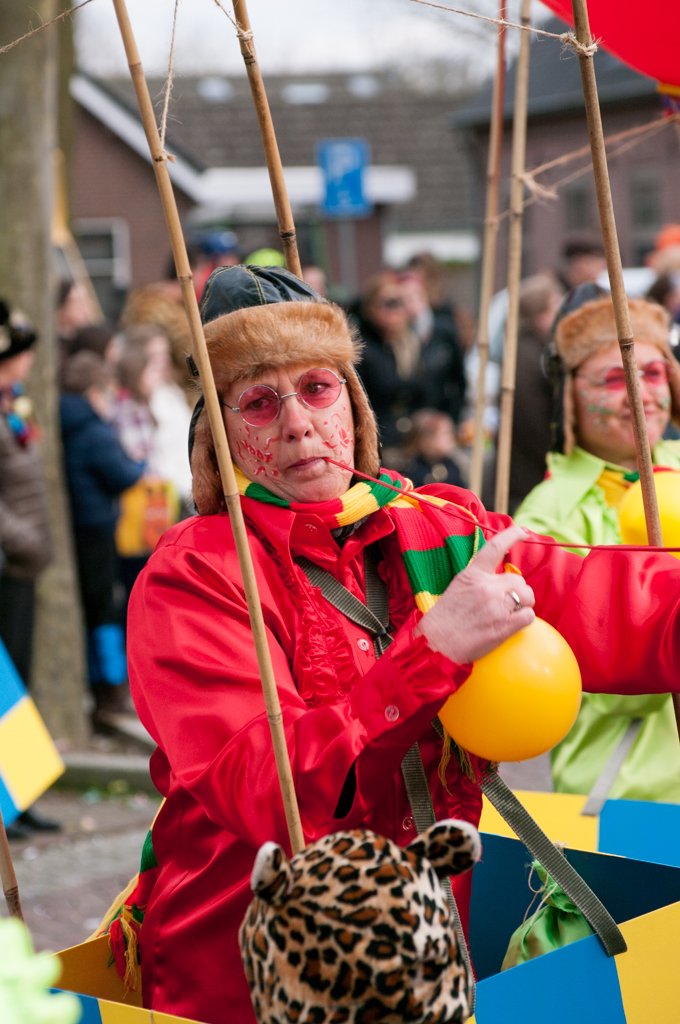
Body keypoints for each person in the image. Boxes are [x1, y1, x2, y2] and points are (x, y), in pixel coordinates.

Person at [126, 266, 680, 1024]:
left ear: (352, 404)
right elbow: (270, 789)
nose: (297, 423)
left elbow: (615, 607)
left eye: (318, 388)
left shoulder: (439, 523)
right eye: (259, 402)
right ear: (221, 436)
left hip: (429, 957)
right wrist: (434, 649)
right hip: (256, 975)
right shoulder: (192, 573)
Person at [515, 287, 680, 802]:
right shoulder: (547, 514)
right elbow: (589, 676)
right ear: (569, 397)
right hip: (623, 796)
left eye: (652, 374)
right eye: (614, 378)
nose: (641, 394)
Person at [0, 302, 58, 839]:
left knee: (17, 688)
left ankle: (22, 795)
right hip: (8, 562)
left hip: (22, 565)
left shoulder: (11, 405)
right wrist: (22, 541)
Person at [60, 351, 143, 724]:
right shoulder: (94, 430)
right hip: (96, 527)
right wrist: (139, 463)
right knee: (104, 605)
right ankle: (110, 686)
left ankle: (104, 683)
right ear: (94, 392)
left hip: (82, 525)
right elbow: (123, 474)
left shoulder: (69, 422)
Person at [509, 274, 565, 512]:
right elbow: (531, 418)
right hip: (532, 465)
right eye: (555, 305)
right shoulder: (526, 355)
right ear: (541, 315)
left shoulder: (542, 348)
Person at [351, 274, 423, 450]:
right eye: (388, 303)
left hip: (414, 440)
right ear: (370, 308)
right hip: (379, 443)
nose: (395, 310)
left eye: (399, 303)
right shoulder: (360, 348)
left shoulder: (411, 344)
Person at [400, 409, 464, 488]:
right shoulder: (411, 469)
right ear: (425, 440)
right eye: (445, 433)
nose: (451, 437)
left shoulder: (451, 466)